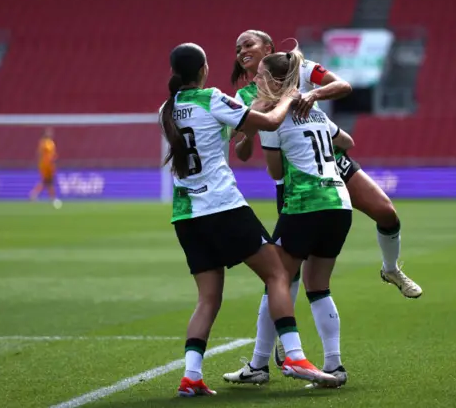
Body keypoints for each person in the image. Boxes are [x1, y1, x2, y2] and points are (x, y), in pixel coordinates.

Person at [223, 30, 422, 386]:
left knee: (278, 278)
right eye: (238, 49)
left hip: (306, 188)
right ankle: (327, 364)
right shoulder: (250, 95)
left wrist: (283, 124)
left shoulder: (297, 76)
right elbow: (340, 138)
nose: (242, 53)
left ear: (269, 52)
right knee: (309, 282)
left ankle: (267, 361)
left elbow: (276, 166)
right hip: (331, 192)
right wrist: (253, 135)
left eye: (248, 45)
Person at [159, 43, 337, 397]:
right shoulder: (211, 98)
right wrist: (289, 95)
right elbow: (269, 122)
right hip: (222, 207)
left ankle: (191, 376)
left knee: (207, 299)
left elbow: (226, 129)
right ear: (204, 68)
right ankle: (295, 357)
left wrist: (254, 107)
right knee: (277, 274)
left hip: (186, 215)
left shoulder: (167, 109)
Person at [224, 45, 356, 388]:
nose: (256, 80)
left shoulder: (276, 115)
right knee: (319, 286)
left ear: (274, 80)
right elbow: (349, 141)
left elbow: (274, 170)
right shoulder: (312, 109)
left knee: (276, 280)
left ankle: (260, 365)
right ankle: (335, 365)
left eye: (261, 76)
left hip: (304, 205)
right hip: (339, 203)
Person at [29, 127, 62, 208]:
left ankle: (34, 194)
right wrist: (40, 162)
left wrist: (54, 159)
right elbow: (40, 153)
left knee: (47, 182)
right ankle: (52, 198)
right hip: (45, 165)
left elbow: (52, 154)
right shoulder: (43, 143)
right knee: (48, 181)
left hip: (50, 165)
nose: (50, 134)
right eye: (48, 132)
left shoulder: (51, 143)